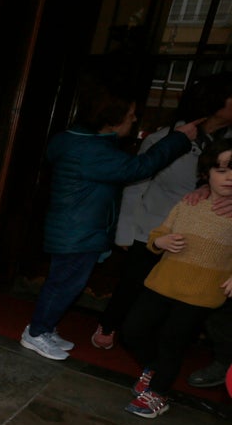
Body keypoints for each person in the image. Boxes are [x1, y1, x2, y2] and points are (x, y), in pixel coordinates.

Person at [18, 72, 200, 361]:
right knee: (63, 285)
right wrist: (177, 139)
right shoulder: (93, 151)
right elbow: (139, 168)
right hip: (77, 232)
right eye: (130, 115)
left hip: (75, 229)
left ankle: (44, 327)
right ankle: (36, 333)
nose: (134, 120)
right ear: (112, 120)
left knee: (64, 283)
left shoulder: (74, 140)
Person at [92, 72, 232, 350]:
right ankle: (110, 324)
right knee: (135, 283)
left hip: (204, 232)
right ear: (217, 102)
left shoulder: (229, 145)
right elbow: (134, 186)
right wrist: (126, 232)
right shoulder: (164, 138)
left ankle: (162, 347)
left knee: (181, 294)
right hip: (153, 226)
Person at [119, 139, 232, 418]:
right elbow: (158, 235)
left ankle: (158, 393)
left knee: (172, 341)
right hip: (164, 281)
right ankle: (154, 369)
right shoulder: (189, 201)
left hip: (202, 291)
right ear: (206, 173)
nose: (229, 177)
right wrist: (162, 242)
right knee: (131, 330)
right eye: (221, 170)